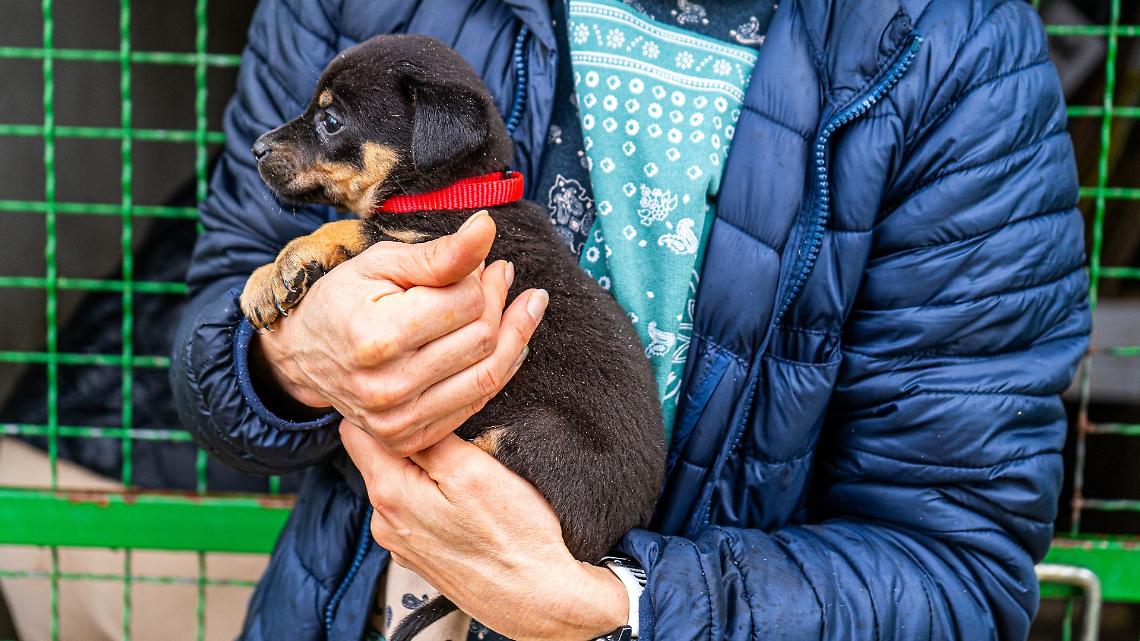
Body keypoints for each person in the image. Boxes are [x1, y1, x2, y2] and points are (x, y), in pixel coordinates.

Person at [171, 0, 1091, 639]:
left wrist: (616, 606)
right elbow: (215, 319)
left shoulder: (956, 56)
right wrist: (292, 356)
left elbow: (957, 570)